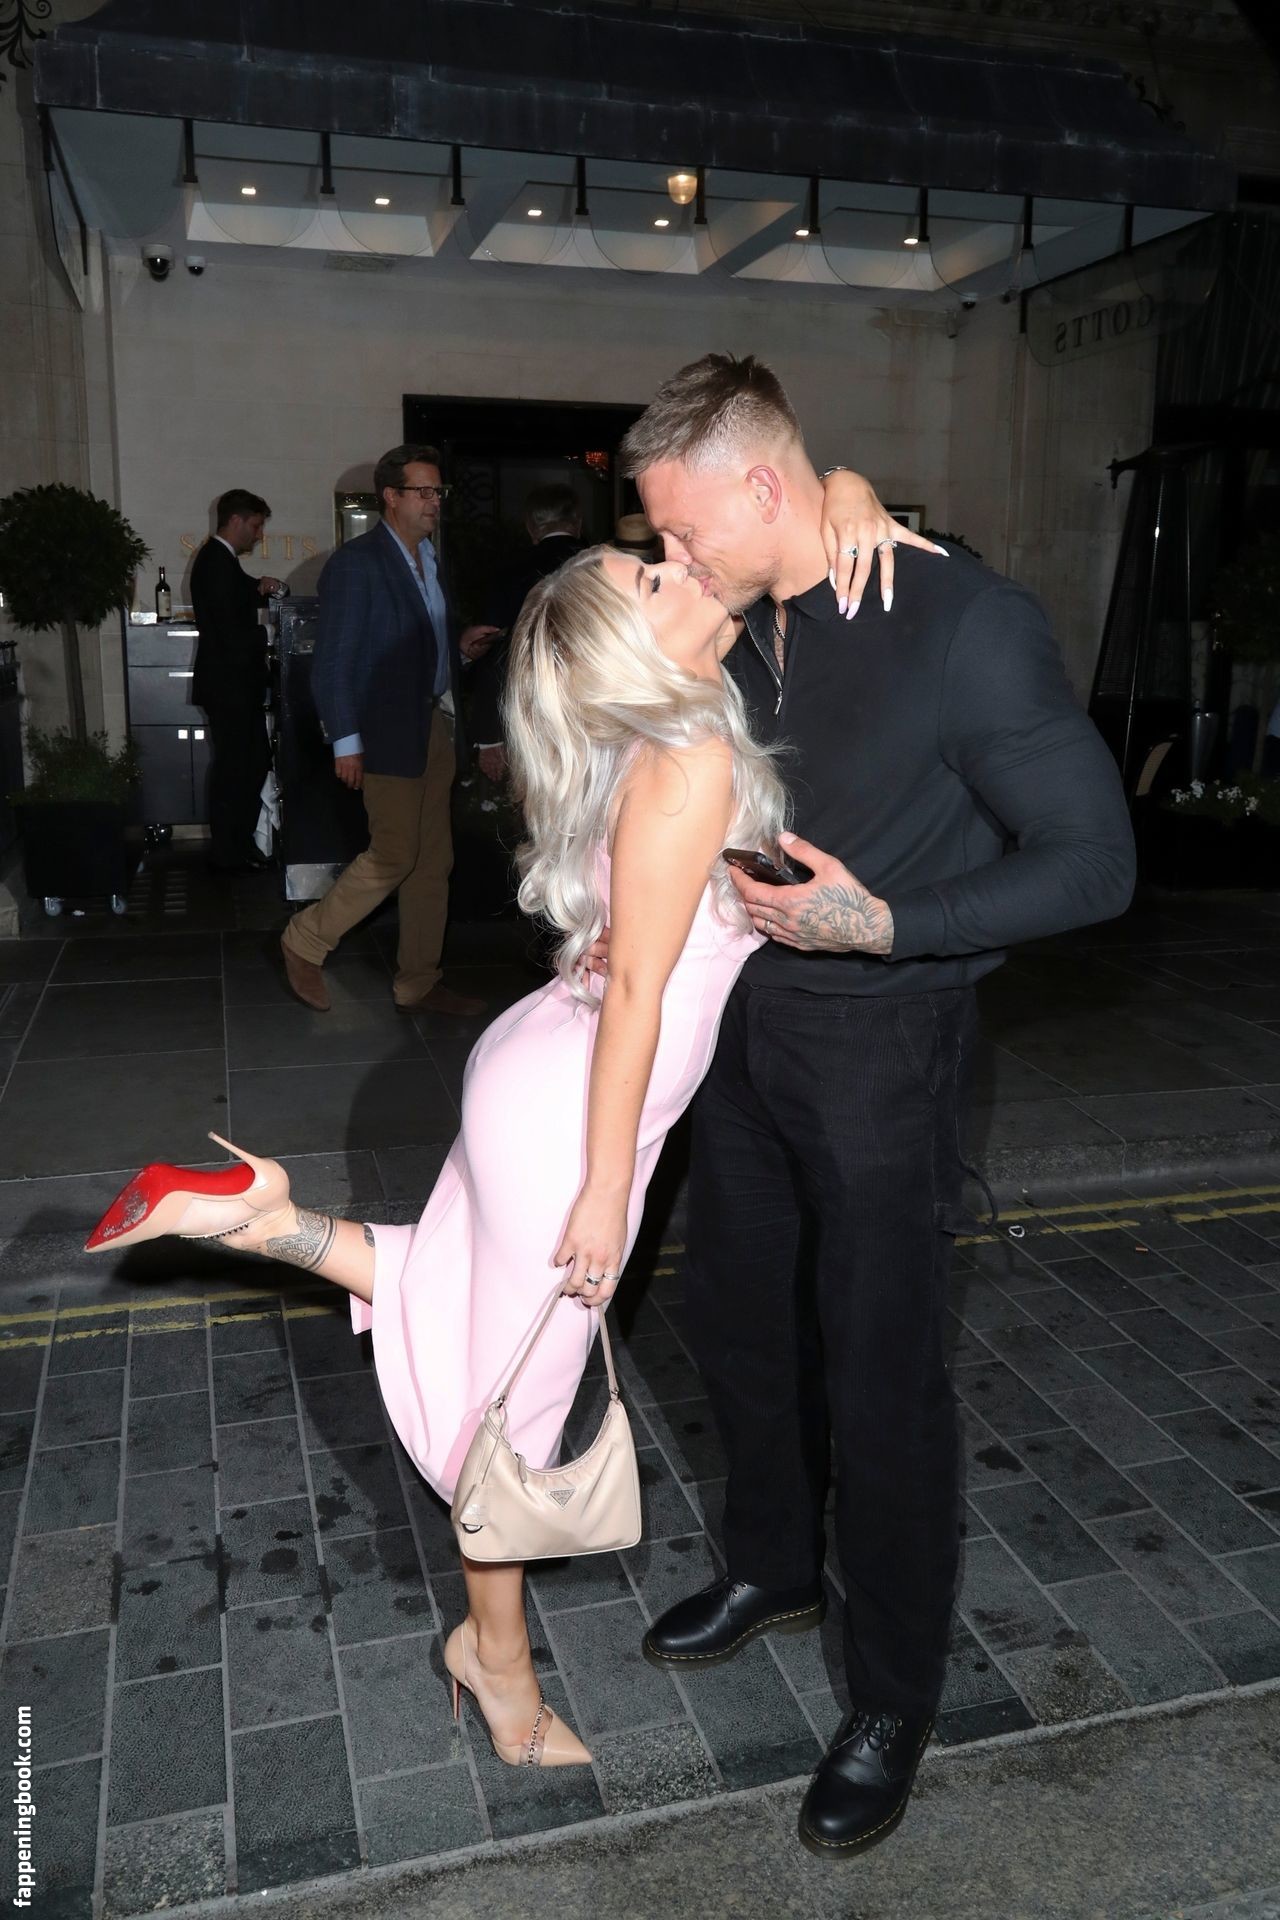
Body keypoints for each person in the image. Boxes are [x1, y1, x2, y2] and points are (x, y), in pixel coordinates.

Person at [83, 471, 915, 1774]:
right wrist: (607, 1187)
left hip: (540, 1065)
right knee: (515, 1402)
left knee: (469, 1298)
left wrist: (847, 493)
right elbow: (639, 990)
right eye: (651, 576)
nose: (677, 565)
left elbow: (765, 556)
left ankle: (260, 1219)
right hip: (578, 1102)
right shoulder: (689, 756)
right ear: (635, 647)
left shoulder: (661, 733)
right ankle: (497, 1662)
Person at [615, 354, 1137, 1861]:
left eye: (686, 530)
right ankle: (776, 1564)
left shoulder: (963, 624)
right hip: (740, 1033)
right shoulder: (740, 618)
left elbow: (1094, 864)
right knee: (735, 1324)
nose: (673, 559)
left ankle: (893, 1694)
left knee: (882, 1373)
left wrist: (891, 925)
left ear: (761, 486)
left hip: (887, 1050)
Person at [279, 444, 498, 1017]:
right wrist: (346, 741)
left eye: (438, 491)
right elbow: (333, 663)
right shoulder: (358, 564)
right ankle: (305, 939)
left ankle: (418, 982)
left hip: (431, 727)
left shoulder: (429, 560)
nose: (434, 501)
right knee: (395, 853)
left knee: (432, 863)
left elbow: (412, 647)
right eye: (423, 491)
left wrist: (458, 650)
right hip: (381, 733)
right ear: (391, 497)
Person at [468, 482, 587, 783]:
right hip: (593, 712)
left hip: (531, 713)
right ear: (577, 522)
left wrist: (490, 736)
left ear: (531, 526)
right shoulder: (603, 567)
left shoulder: (509, 574)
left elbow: (494, 651)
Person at [190, 489, 283, 872]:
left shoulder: (220, 560)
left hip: (231, 686)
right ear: (237, 520)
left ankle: (236, 847)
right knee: (237, 768)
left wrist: (262, 585)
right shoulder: (216, 561)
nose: (259, 535)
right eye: (256, 526)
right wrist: (270, 634)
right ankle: (230, 852)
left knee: (247, 763)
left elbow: (239, 592)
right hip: (229, 686)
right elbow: (230, 631)